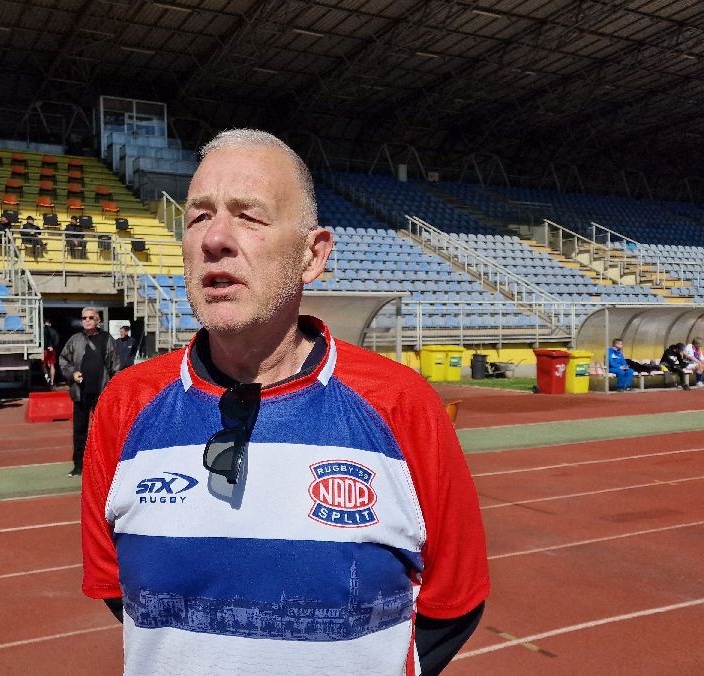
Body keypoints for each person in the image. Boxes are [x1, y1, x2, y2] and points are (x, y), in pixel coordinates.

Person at [81, 130, 489, 675]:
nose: (214, 238)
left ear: (311, 255)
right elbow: (121, 592)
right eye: (198, 216)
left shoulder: (402, 404)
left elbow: (454, 601)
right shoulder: (124, 405)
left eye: (248, 216)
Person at [59, 307, 119, 477]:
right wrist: (72, 373)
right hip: (80, 392)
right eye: (84, 318)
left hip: (102, 393)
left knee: (103, 431)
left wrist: (114, 390)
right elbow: (63, 359)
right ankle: (79, 466)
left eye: (91, 317)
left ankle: (106, 465)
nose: (87, 320)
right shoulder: (75, 339)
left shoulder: (107, 339)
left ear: (98, 320)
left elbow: (115, 365)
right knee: (79, 431)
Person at [42, 319, 61, 387]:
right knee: (52, 365)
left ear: (44, 324)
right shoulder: (54, 331)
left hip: (44, 350)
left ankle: (47, 378)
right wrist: (53, 347)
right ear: (50, 324)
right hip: (52, 349)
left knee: (43, 365)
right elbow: (57, 340)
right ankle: (52, 381)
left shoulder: (42, 331)